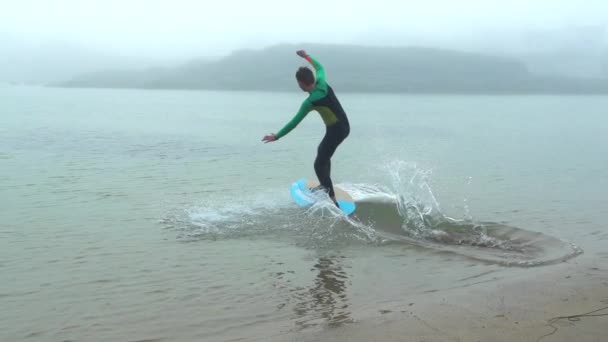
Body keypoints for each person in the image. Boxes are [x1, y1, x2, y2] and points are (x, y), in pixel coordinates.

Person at [262, 50, 350, 207]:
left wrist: (277, 136)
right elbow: (320, 66)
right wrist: (306, 56)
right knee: (323, 153)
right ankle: (325, 185)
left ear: (301, 84)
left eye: (298, 84)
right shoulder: (321, 81)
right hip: (343, 126)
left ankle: (333, 200)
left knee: (319, 163)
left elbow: (294, 122)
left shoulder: (310, 102)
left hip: (336, 130)